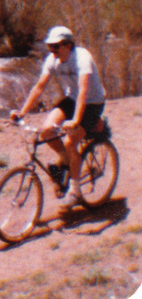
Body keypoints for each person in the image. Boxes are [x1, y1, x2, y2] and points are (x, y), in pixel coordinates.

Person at [10, 26, 106, 211]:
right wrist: (22, 112)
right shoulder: (52, 60)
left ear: (67, 44)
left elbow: (84, 91)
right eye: (49, 46)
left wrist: (75, 121)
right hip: (72, 99)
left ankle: (75, 192)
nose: (51, 50)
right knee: (46, 131)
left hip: (93, 102)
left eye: (55, 46)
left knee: (70, 142)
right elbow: (39, 87)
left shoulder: (82, 58)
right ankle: (67, 161)